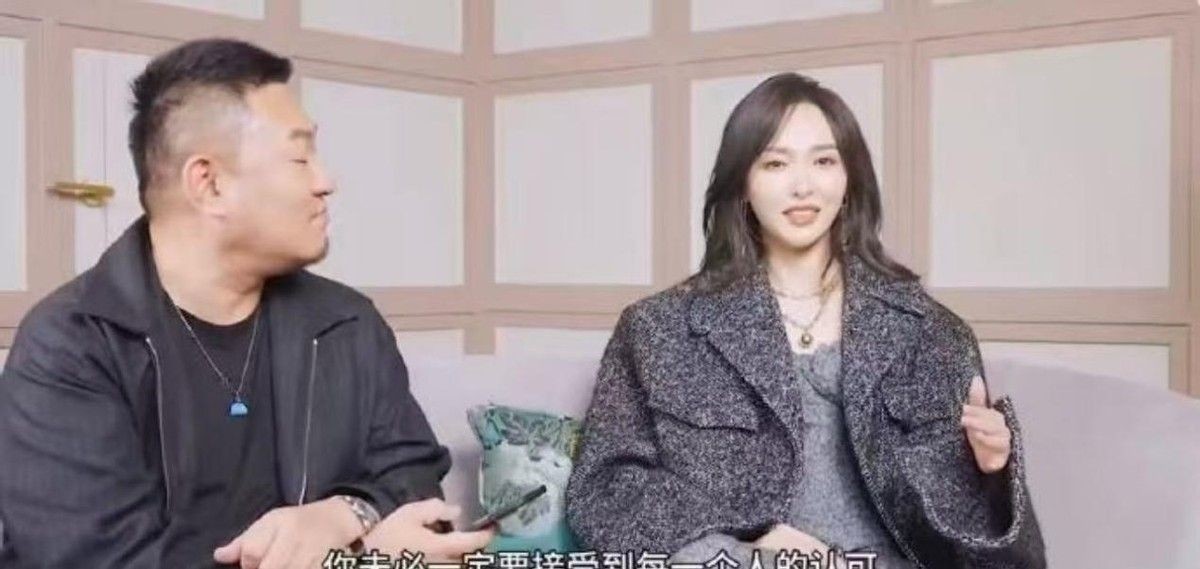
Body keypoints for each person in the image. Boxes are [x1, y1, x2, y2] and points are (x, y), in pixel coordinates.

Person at [0, 38, 492, 568]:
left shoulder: (347, 323)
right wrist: (353, 559)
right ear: (209, 184)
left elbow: (414, 475)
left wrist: (346, 513)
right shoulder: (72, 345)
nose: (326, 182)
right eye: (300, 158)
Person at [565, 73, 1046, 568]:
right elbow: (604, 495)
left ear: (849, 180)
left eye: (823, 161)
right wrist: (750, 545)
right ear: (742, 183)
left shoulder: (932, 334)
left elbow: (1003, 560)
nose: (802, 186)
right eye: (775, 163)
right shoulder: (659, 330)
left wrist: (992, 475)